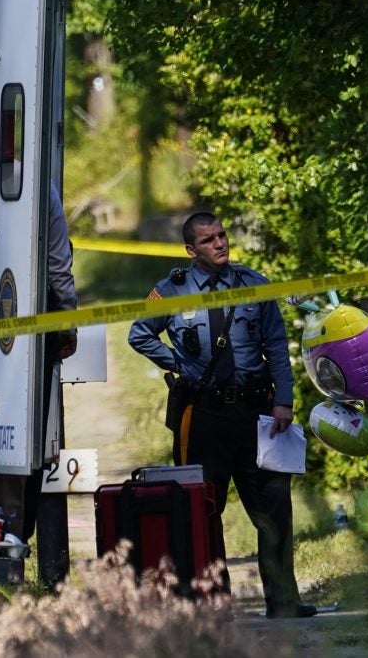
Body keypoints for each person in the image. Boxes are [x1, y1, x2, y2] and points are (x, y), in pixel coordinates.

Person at [127, 211, 316, 619]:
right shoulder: (172, 291)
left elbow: (278, 346)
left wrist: (284, 399)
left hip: (255, 413)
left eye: (222, 235)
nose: (220, 243)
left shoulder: (253, 284)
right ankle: (212, 604)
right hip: (203, 415)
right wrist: (177, 361)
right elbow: (139, 333)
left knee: (274, 509)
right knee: (202, 511)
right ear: (191, 250)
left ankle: (283, 600)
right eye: (209, 239)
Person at [0, 181, 77, 552]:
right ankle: (11, 529)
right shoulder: (31, 183)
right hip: (21, 320)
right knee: (17, 424)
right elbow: (57, 262)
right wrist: (66, 319)